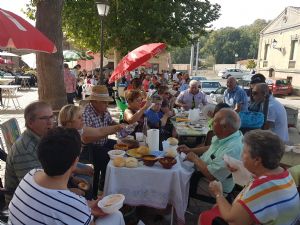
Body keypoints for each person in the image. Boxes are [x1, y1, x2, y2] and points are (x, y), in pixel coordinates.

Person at [8, 127, 125, 225]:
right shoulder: (71, 203)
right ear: (75, 161)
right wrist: (85, 211)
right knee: (115, 215)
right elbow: (66, 207)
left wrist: (86, 207)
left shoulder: (31, 174)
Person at [200, 130, 300, 225]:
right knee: (218, 207)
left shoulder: (260, 188)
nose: (241, 155)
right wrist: (240, 169)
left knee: (205, 215)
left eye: (244, 152)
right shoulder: (284, 173)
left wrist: (218, 193)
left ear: (257, 160)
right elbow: (260, 178)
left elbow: (232, 219)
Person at [177, 108, 243, 198]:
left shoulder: (233, 148)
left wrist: (195, 159)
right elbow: (211, 148)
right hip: (202, 172)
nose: (211, 123)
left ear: (225, 127)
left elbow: (212, 176)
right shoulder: (230, 135)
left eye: (214, 121)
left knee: (175, 181)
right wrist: (190, 150)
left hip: (213, 185)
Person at [5, 101, 54, 204]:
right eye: (44, 118)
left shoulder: (41, 137)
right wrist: (69, 191)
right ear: (30, 123)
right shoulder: (26, 150)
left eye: (51, 117)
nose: (50, 122)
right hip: (24, 204)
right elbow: (34, 189)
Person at [82, 85, 125, 197]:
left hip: (103, 142)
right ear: (95, 102)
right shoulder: (86, 113)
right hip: (90, 148)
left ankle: (106, 183)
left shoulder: (104, 111)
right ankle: (98, 191)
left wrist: (122, 126)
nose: (107, 104)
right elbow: (86, 138)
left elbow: (111, 123)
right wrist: (110, 131)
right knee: (106, 157)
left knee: (121, 148)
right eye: (104, 102)